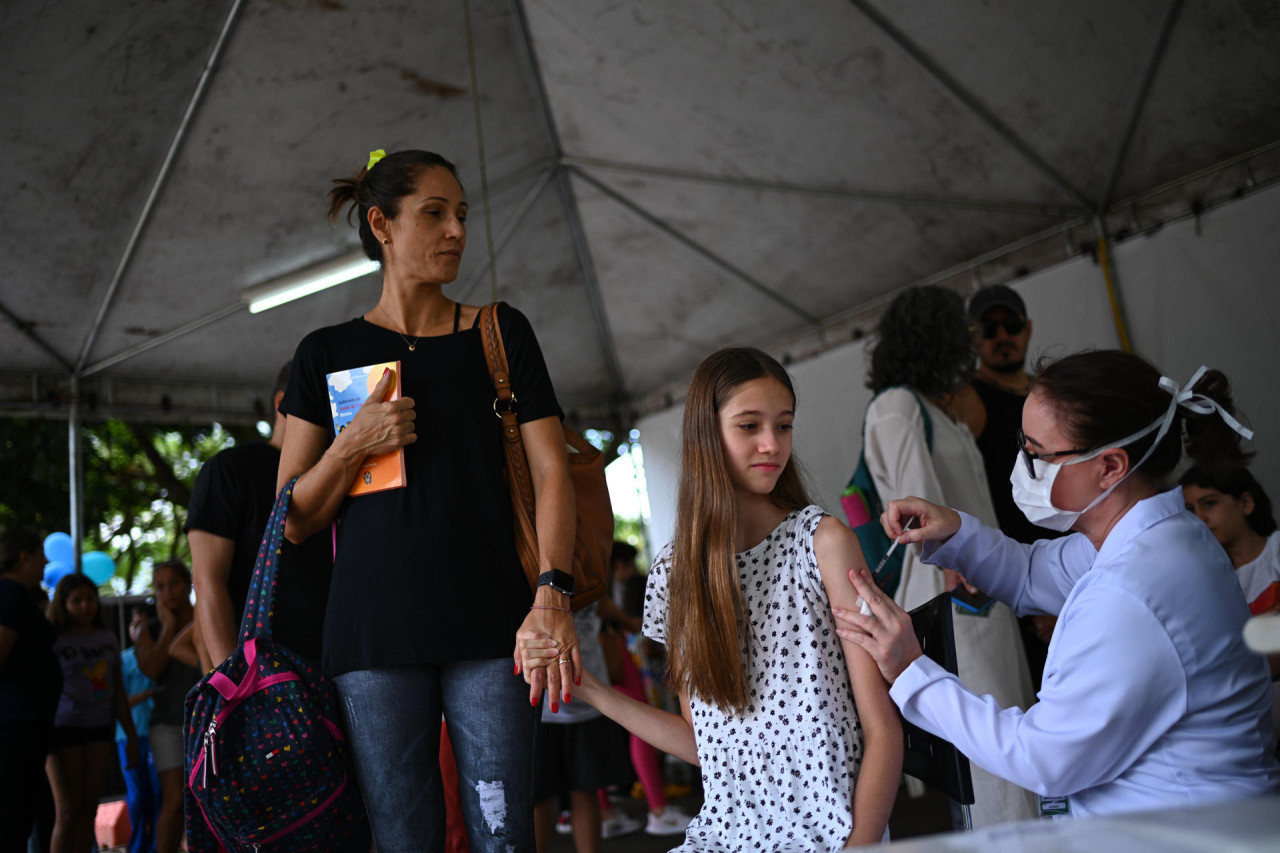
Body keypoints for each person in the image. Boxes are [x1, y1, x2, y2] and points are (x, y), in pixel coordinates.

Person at [276, 148, 578, 852]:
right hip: (372, 633)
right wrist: (352, 444)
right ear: (381, 223)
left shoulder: (500, 333)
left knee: (505, 835)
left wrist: (551, 591)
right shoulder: (324, 351)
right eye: (434, 213)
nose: (456, 231)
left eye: (462, 215)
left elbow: (552, 473)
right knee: (402, 839)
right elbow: (291, 517)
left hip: (496, 624)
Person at [836, 351, 1280, 818]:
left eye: (1038, 454)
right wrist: (956, 533)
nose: (1024, 464)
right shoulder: (1162, 537)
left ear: (1109, 466)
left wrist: (912, 671)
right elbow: (1031, 573)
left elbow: (1044, 757)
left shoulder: (1132, 592)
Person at [522, 347, 903, 850]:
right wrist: (587, 687)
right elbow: (707, 745)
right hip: (722, 837)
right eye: (749, 426)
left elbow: (882, 730)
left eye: (784, 425)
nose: (772, 443)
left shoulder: (822, 543)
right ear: (707, 434)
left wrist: (860, 846)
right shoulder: (675, 573)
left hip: (830, 837)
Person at [861, 285, 1038, 827]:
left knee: (1009, 734)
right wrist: (961, 565)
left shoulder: (936, 407)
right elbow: (920, 508)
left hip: (979, 593)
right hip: (957, 594)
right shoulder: (896, 406)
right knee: (987, 751)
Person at [187, 361, 332, 669]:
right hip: (264, 670)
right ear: (282, 404)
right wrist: (235, 682)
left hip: (338, 666)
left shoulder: (341, 471)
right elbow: (207, 581)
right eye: (317, 400)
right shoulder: (230, 469)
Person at [960, 284, 1063, 688]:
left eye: (1011, 324)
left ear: (1028, 327)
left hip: (1070, 552)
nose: (1002, 335)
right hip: (1017, 572)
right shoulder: (969, 399)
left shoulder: (1047, 392)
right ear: (973, 338)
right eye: (989, 328)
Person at [46, 573, 139, 853]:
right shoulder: (54, 639)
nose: (85, 606)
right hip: (63, 728)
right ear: (63, 604)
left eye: (89, 599)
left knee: (89, 808)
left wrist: (131, 736)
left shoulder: (106, 637)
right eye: (76, 601)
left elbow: (118, 690)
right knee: (68, 811)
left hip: (100, 726)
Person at [532, 603, 632, 853]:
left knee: (585, 789)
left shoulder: (591, 564)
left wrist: (629, 621)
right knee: (536, 797)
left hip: (588, 692)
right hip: (537, 700)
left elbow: (603, 601)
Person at [0, 530, 62, 853]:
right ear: (24, 556)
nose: (45, 562)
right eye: (41, 554)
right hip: (15, 731)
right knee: (12, 822)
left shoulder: (16, 594)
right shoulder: (11, 594)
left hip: (25, 728)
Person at [132, 560, 201, 853]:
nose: (167, 591)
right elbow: (151, 668)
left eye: (173, 583)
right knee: (174, 801)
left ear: (187, 584)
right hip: (167, 724)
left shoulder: (204, 615)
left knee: (206, 795)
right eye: (159, 586)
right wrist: (169, 628)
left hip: (204, 720)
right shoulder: (148, 627)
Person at [1181, 466, 1280, 615]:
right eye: (1190, 509)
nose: (1200, 518)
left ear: (1246, 503)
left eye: (1209, 503)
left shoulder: (1276, 549)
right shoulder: (1206, 579)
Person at [115, 638, 159, 853]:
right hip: (128, 735)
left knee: (159, 793)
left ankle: (158, 845)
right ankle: (138, 848)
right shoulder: (123, 660)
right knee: (137, 794)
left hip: (158, 733)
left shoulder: (162, 656)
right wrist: (149, 694)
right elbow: (119, 700)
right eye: (136, 625)